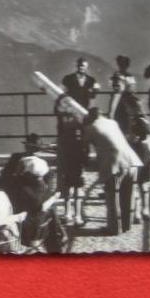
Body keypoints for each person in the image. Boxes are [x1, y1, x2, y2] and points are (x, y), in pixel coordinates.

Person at [82, 107, 143, 235]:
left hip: (114, 165)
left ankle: (114, 228)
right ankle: (127, 225)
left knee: (113, 197)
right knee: (128, 195)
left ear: (90, 118)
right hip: (132, 161)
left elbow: (83, 145)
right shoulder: (113, 123)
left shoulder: (91, 127)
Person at [111, 73, 150, 222]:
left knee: (140, 180)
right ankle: (139, 211)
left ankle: (143, 209)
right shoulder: (119, 99)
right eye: (114, 84)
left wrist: (149, 146)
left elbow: (143, 123)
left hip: (135, 144)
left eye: (118, 84)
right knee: (136, 180)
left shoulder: (128, 100)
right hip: (129, 143)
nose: (115, 86)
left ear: (124, 85)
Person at [54, 95, 87, 226]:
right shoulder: (65, 118)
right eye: (64, 104)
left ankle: (76, 214)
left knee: (76, 186)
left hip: (75, 154)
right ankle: (69, 214)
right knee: (68, 185)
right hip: (68, 154)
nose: (66, 106)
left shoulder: (76, 120)